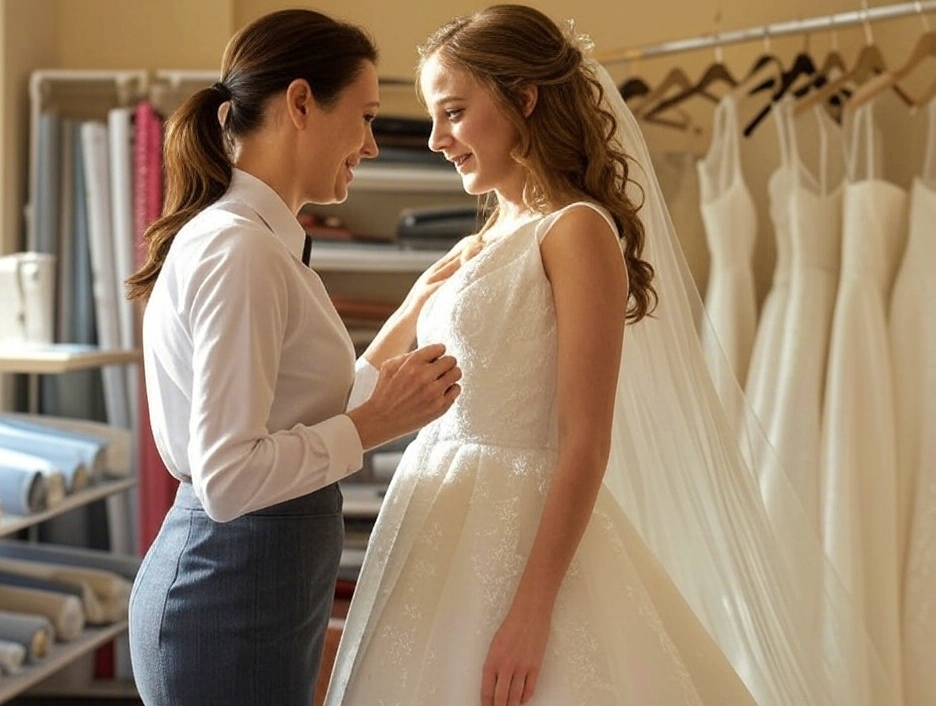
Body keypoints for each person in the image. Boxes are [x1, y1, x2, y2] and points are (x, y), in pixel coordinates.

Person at [325, 6, 893, 706]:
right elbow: (368, 388)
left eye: (455, 113)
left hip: (522, 536)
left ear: (523, 99)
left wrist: (533, 612)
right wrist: (414, 305)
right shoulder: (479, 243)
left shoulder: (577, 231)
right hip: (434, 526)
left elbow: (586, 441)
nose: (437, 139)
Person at [125, 9, 466, 706]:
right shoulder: (240, 251)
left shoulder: (257, 244)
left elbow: (299, 408)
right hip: (227, 599)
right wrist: (374, 426)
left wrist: (408, 314)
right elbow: (228, 476)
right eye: (367, 117)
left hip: (250, 591)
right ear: (302, 102)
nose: (371, 146)